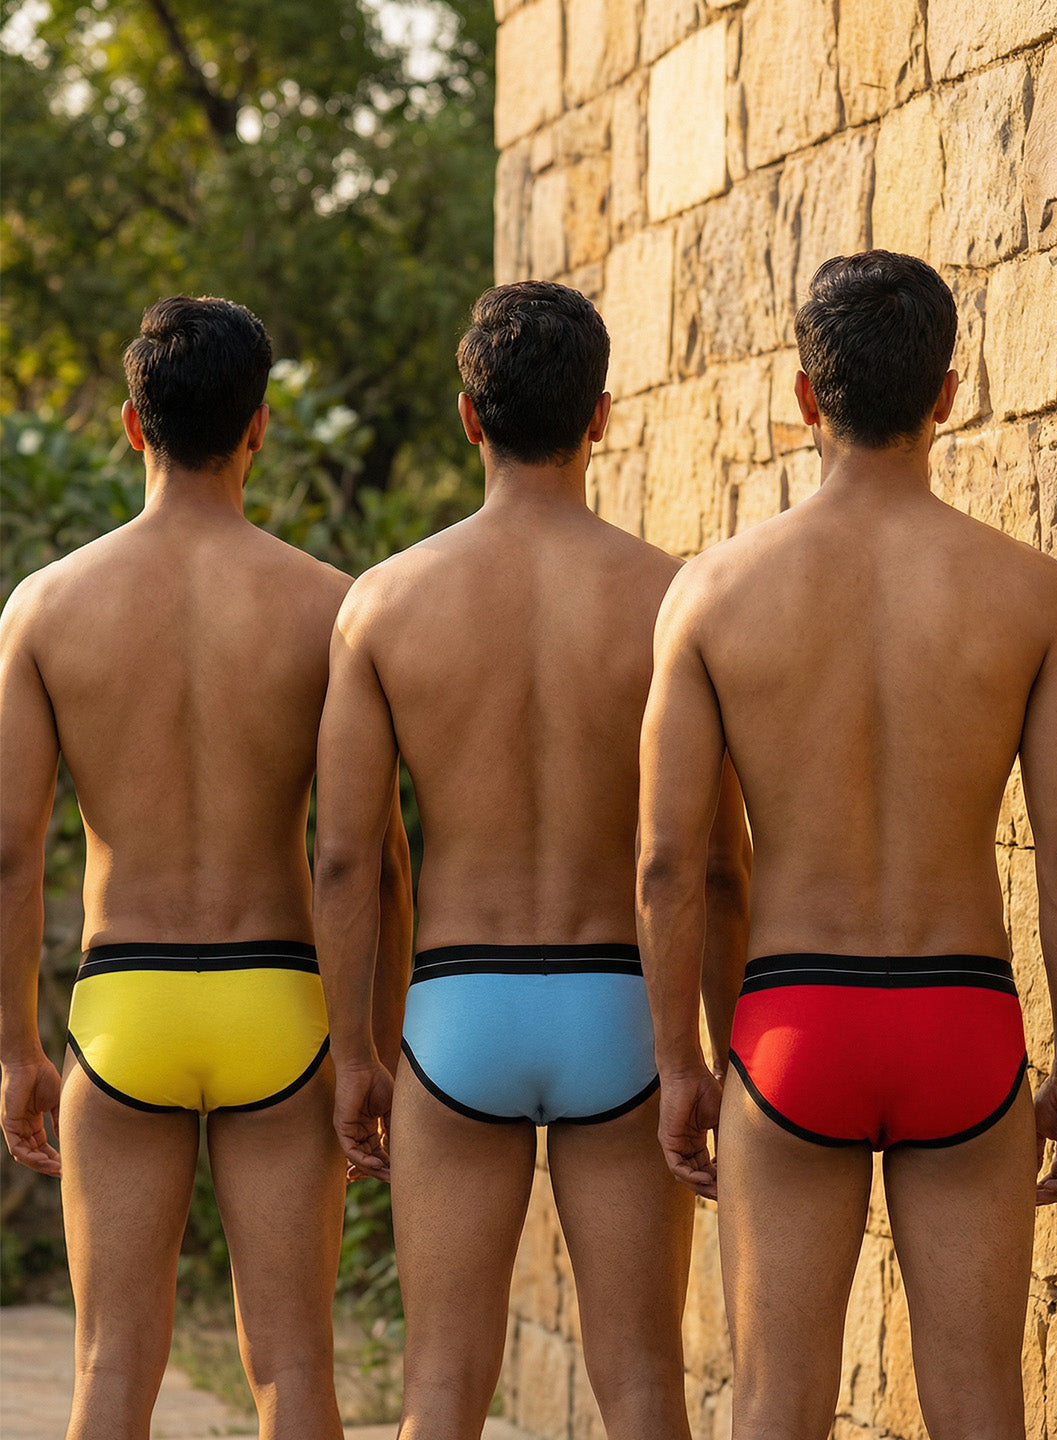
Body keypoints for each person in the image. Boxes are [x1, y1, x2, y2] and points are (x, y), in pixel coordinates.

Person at [636, 249, 1057, 1439]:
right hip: (963, 1020)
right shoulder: (1035, 595)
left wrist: (680, 1062)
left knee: (777, 1406)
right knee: (980, 1405)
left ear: (804, 398)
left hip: (795, 1022)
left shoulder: (713, 594)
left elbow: (677, 863)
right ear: (948, 395)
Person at [314, 280, 751, 1440]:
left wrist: (355, 1052)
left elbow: (352, 862)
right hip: (622, 1009)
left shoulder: (382, 605)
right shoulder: (673, 599)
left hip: (460, 1008)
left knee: (440, 1391)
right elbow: (712, 866)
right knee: (645, 1384)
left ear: (469, 416)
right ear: (601, 416)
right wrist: (715, 1052)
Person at [0, 295, 412, 1440]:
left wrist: (16, 1048)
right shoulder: (329, 607)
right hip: (277, 999)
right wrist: (371, 1047)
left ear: (134, 425)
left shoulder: (44, 610)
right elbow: (369, 858)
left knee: (109, 1371)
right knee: (294, 1366)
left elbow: (9, 853)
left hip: (123, 1003)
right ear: (259, 427)